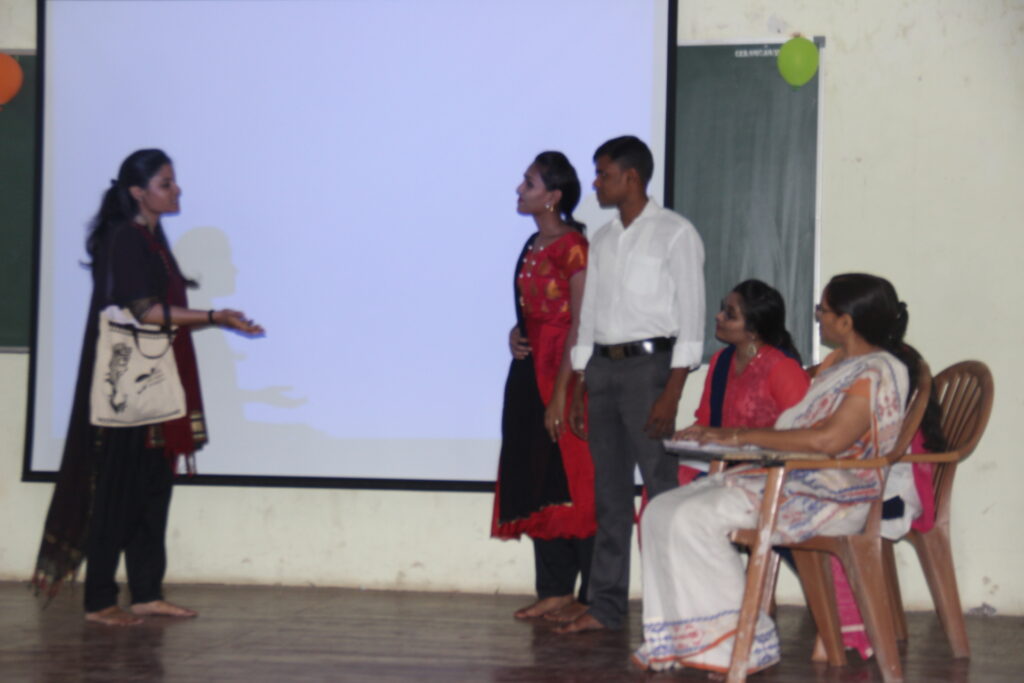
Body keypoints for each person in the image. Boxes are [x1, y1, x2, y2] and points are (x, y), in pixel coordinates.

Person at [632, 273, 919, 675]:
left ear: (846, 322)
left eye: (823, 310)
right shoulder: (838, 364)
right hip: (795, 480)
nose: (817, 316)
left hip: (834, 493)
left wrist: (738, 435)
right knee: (661, 510)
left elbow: (828, 441)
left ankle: (742, 642)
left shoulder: (878, 370)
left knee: (694, 517)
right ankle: (685, 640)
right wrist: (725, 437)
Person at [31, 149, 264, 626]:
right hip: (129, 387)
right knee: (118, 494)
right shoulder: (125, 238)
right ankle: (99, 601)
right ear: (138, 192)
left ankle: (146, 593)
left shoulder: (151, 238)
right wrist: (216, 316)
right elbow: (146, 312)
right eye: (166, 183)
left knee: (153, 491)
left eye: (173, 182)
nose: (176, 191)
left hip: (157, 381)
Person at [560, 135, 705, 633]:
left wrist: (672, 392)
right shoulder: (602, 239)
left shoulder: (675, 233)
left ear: (632, 177)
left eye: (603, 174)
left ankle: (675, 608)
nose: (596, 183)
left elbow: (692, 321)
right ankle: (605, 606)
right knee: (610, 495)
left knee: (661, 492)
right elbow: (589, 316)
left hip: (650, 371)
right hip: (602, 369)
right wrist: (581, 380)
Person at [491, 152, 596, 623]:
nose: (520, 189)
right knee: (537, 474)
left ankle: (591, 595)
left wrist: (561, 393)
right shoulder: (533, 242)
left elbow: (581, 321)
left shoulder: (575, 247)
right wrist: (517, 332)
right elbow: (534, 310)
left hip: (565, 372)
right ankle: (554, 589)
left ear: (553, 196)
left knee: (577, 478)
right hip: (528, 371)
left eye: (529, 182)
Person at [677, 279, 810, 485]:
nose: (718, 316)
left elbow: (801, 430)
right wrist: (693, 434)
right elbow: (706, 419)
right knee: (666, 477)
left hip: (767, 467)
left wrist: (733, 437)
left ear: (753, 329)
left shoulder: (782, 367)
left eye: (729, 314)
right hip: (723, 461)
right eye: (723, 309)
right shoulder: (721, 360)